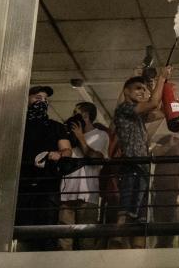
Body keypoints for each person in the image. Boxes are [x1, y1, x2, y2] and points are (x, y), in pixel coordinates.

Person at [112, 74, 166, 248]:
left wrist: (154, 87)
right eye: (138, 88)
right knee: (126, 213)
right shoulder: (124, 109)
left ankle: (137, 254)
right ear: (126, 91)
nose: (142, 91)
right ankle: (116, 249)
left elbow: (162, 112)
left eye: (144, 89)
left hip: (142, 170)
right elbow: (153, 104)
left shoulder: (139, 116)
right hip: (132, 167)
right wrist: (162, 79)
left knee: (140, 220)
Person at [15, 85, 72, 251]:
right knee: (23, 233)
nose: (41, 102)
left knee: (47, 232)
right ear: (27, 100)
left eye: (45, 99)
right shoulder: (17, 125)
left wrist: (59, 154)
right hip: (22, 185)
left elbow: (67, 149)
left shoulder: (56, 126)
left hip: (48, 185)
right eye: (37, 98)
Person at [58, 102, 110, 250]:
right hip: (66, 195)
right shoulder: (68, 137)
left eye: (77, 114)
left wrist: (81, 137)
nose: (73, 117)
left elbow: (95, 158)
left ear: (86, 116)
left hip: (88, 197)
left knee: (86, 242)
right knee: (64, 242)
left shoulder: (100, 135)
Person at [149, 114, 179, 248]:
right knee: (166, 237)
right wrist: (168, 145)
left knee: (177, 233)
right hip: (161, 197)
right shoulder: (169, 139)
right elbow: (154, 154)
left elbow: (174, 181)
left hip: (170, 198)